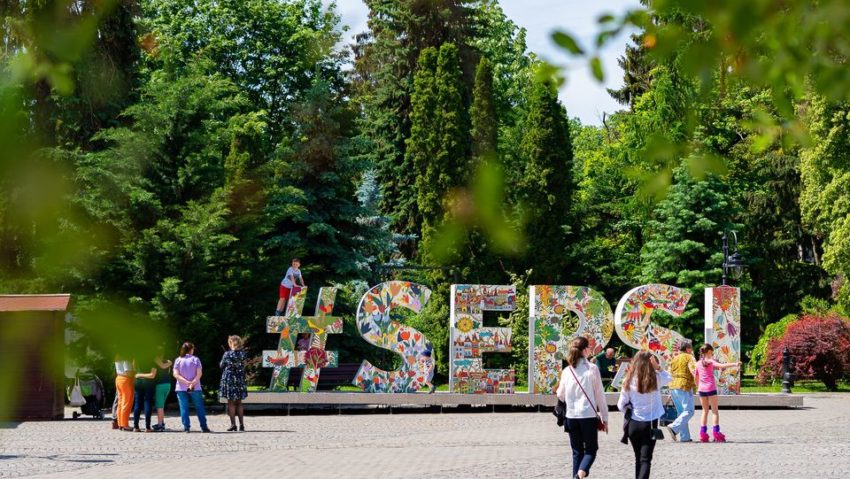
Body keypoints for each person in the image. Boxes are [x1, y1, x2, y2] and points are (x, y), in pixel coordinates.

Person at [556, 337, 608, 479]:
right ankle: (579, 475)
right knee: (591, 450)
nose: (591, 350)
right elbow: (600, 396)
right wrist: (605, 417)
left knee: (577, 452)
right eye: (590, 347)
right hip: (588, 415)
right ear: (585, 350)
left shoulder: (567, 370)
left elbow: (560, 394)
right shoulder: (592, 369)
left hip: (571, 416)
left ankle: (576, 475)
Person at [617, 351, 671, 479]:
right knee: (646, 459)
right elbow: (669, 378)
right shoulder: (656, 379)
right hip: (650, 424)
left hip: (634, 424)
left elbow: (620, 405)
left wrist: (629, 409)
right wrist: (658, 367)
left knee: (638, 458)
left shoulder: (628, 380)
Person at [694, 343, 741, 442]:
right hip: (711, 388)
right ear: (709, 352)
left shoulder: (697, 363)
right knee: (714, 411)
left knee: (704, 411)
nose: (712, 354)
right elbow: (722, 365)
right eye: (712, 352)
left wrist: (698, 387)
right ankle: (716, 433)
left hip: (701, 389)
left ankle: (703, 434)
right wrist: (735, 364)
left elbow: (696, 377)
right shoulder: (711, 361)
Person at [173, 342, 210, 433]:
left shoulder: (178, 360)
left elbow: (176, 374)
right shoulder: (196, 359)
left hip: (181, 388)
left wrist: (186, 382)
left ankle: (186, 427)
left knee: (184, 407)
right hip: (195, 387)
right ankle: (204, 427)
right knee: (199, 407)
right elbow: (199, 374)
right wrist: (192, 383)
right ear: (191, 349)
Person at [666, 340, 696, 442]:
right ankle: (673, 427)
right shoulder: (689, 357)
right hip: (684, 386)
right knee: (689, 411)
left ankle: (685, 437)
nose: (691, 350)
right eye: (691, 348)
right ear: (688, 349)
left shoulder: (674, 358)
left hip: (673, 386)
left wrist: (669, 391)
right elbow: (693, 371)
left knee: (681, 413)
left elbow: (669, 374)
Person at [219, 335, 248, 432]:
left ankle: (233, 425)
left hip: (229, 379)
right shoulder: (243, 354)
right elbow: (244, 365)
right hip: (239, 379)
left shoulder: (227, 354)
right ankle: (242, 425)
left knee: (231, 403)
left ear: (230, 343)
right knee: (239, 402)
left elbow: (221, 365)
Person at [132, 358, 157, 432]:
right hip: (148, 383)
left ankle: (136, 427)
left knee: (137, 403)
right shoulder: (152, 359)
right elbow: (152, 375)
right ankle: (147, 427)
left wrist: (139, 375)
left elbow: (135, 371)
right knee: (148, 403)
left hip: (138, 382)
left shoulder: (136, 359)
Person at [152, 347, 173, 431]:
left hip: (160, 384)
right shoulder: (167, 361)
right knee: (162, 404)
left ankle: (160, 425)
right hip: (168, 384)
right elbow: (167, 370)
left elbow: (162, 366)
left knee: (159, 405)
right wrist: (170, 362)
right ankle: (162, 422)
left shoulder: (155, 359)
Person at [113, 355, 135, 432]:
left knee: (120, 403)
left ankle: (120, 424)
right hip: (126, 380)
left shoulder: (118, 356)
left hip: (119, 379)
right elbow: (127, 372)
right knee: (126, 402)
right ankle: (125, 424)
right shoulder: (126, 358)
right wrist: (135, 374)